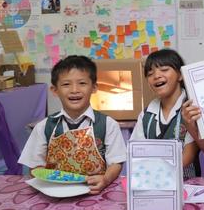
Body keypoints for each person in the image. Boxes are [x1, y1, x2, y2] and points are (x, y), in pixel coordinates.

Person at [18, 56, 126, 194]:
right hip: (53, 193)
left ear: (94, 87)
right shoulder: (44, 126)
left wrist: (105, 179)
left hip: (95, 192)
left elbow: (116, 163)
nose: (74, 90)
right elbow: (34, 166)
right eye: (66, 84)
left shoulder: (108, 124)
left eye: (82, 83)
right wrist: (41, 174)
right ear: (55, 90)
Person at [132, 49, 204, 179]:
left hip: (186, 184)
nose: (156, 76)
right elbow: (137, 152)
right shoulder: (145, 115)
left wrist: (156, 173)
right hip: (152, 182)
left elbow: (188, 156)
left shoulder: (191, 109)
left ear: (180, 75)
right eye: (150, 73)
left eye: (164, 70)